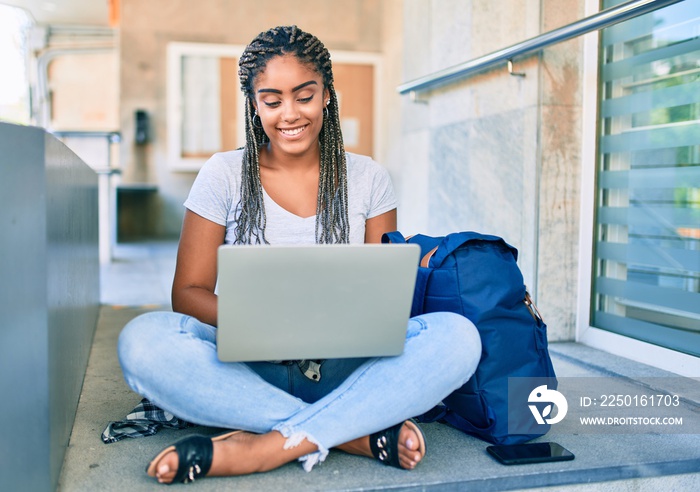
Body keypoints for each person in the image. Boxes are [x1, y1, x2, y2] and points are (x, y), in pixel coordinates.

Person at [117, 25, 482, 485]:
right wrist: (264, 326)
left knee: (458, 337)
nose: (289, 114)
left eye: (303, 96)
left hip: (345, 365)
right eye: (271, 101)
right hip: (247, 364)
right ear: (254, 105)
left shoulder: (369, 178)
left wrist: (334, 330)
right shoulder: (224, 174)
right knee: (142, 340)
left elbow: (386, 300)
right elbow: (188, 294)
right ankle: (349, 432)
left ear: (326, 94)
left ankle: (264, 447)